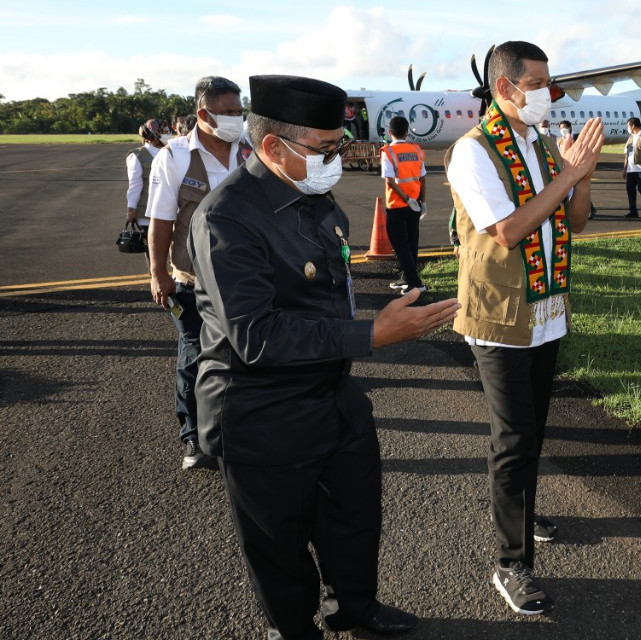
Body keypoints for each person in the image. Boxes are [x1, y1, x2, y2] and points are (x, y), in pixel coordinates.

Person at [189, 74, 460, 640]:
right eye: (326, 148)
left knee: (355, 521)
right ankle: (295, 629)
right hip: (261, 413)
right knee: (279, 546)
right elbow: (254, 336)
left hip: (333, 398)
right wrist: (371, 336)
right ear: (272, 147)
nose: (337, 159)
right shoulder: (226, 218)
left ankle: (357, 608)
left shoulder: (312, 193)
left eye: (340, 145)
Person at [444, 40, 602, 616]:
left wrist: (581, 177)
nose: (547, 93)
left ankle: (524, 513)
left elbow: (575, 221)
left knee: (532, 430)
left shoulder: (538, 144)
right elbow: (508, 230)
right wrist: (568, 174)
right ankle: (512, 564)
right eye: (537, 83)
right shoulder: (473, 151)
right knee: (512, 441)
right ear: (506, 88)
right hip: (500, 316)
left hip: (546, 311)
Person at [146, 76, 251, 471]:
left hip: (245, 278)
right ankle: (194, 438)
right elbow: (159, 222)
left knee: (246, 354)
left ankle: (237, 425)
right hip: (193, 280)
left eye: (240, 112)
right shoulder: (174, 157)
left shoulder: (250, 151)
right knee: (195, 356)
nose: (236, 120)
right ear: (203, 114)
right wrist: (158, 274)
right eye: (228, 113)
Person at [380, 115, 428, 295]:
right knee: (411, 242)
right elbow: (423, 177)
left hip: (398, 205)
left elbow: (390, 181)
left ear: (390, 132)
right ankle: (407, 277)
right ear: (407, 132)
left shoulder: (388, 152)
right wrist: (423, 201)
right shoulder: (416, 149)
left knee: (400, 244)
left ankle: (415, 283)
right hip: (414, 204)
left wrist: (406, 198)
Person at [125, 119, 165, 243]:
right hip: (147, 213)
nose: (163, 133)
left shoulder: (168, 152)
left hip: (170, 211)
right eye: (159, 130)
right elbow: (135, 185)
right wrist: (131, 210)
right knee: (153, 250)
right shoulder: (137, 156)